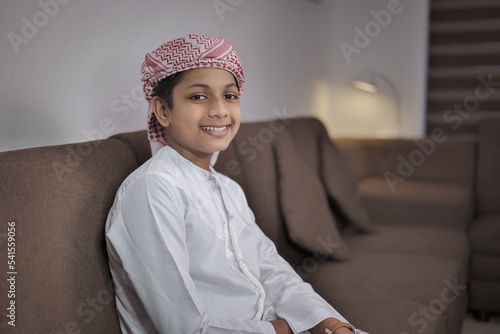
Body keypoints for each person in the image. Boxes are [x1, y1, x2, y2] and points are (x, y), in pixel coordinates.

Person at [105, 34, 366, 334]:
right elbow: (184, 328)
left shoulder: (228, 188)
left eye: (229, 95)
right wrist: (289, 329)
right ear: (163, 111)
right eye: (199, 96)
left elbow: (272, 270)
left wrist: (328, 323)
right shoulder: (153, 190)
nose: (220, 110)